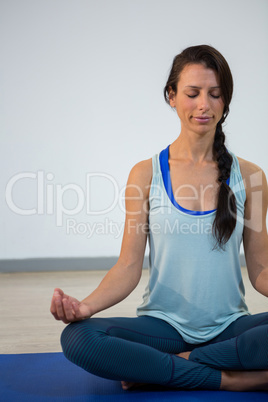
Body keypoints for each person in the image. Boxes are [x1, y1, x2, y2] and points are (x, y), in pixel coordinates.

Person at [50, 45, 268, 391]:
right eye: (192, 93)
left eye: (215, 94)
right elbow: (128, 267)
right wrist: (84, 307)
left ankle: (175, 367)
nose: (204, 105)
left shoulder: (252, 177)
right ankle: (230, 379)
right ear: (171, 96)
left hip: (231, 329)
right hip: (163, 329)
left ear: (225, 100)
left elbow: (260, 270)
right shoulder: (145, 174)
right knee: (79, 338)